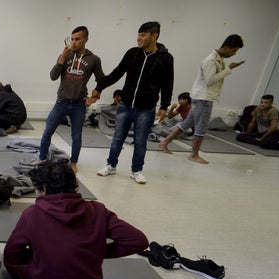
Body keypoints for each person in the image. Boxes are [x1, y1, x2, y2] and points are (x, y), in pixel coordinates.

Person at [3, 159, 148, 279]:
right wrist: (94, 251)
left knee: (11, 264)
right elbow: (138, 241)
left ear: (43, 189)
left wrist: (37, 257)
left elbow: (12, 254)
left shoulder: (32, 214)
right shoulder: (97, 210)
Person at [94, 21, 174, 184]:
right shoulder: (133, 53)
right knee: (117, 138)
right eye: (138, 34)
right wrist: (99, 87)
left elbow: (168, 83)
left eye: (143, 35)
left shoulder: (165, 58)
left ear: (154, 36)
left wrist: (164, 106)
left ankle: (136, 170)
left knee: (140, 141)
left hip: (146, 109)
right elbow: (117, 73)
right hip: (125, 106)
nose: (139, 38)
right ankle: (111, 165)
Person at [158, 35, 245, 163]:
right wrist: (229, 69)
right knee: (201, 127)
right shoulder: (210, 60)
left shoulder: (219, 59)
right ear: (226, 47)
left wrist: (228, 68)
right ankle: (193, 155)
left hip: (203, 98)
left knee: (186, 123)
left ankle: (164, 142)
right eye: (233, 51)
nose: (234, 54)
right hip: (203, 99)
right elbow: (210, 80)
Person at [38, 26, 105, 173]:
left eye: (78, 39)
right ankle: (42, 159)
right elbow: (53, 76)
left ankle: (74, 162)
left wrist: (94, 96)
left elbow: (101, 79)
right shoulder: (66, 55)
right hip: (61, 102)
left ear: (86, 39)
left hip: (78, 104)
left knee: (76, 136)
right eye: (72, 39)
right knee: (47, 131)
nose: (74, 42)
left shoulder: (93, 59)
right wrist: (62, 58)